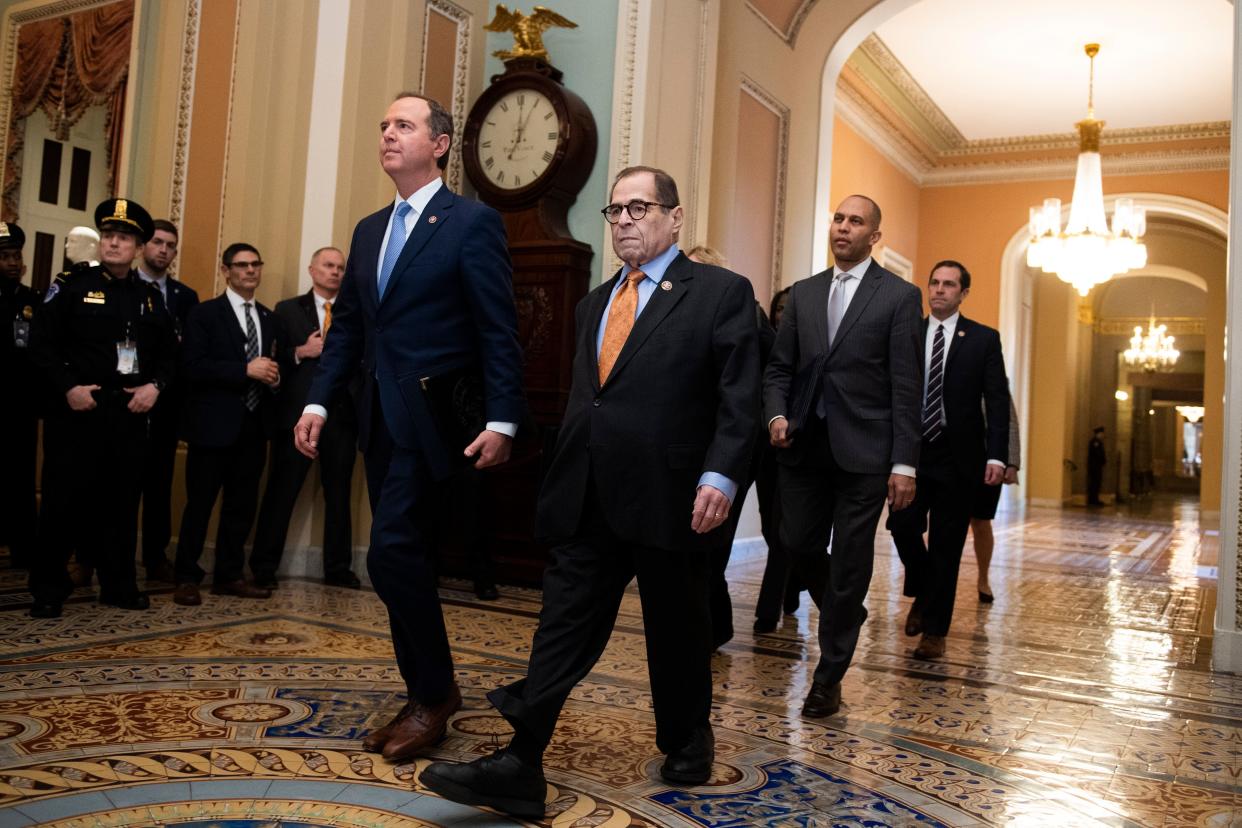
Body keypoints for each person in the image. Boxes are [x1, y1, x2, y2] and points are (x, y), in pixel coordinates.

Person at [419, 166, 760, 817]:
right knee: (562, 625)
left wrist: (720, 475)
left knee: (677, 626)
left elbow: (740, 395)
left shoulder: (719, 293)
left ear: (674, 217)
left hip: (674, 494)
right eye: (616, 211)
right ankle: (521, 759)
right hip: (588, 495)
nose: (626, 220)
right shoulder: (591, 303)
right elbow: (590, 400)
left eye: (640, 207)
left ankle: (688, 737)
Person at [293, 93, 525, 763]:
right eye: (384, 125)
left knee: (392, 553)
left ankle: (433, 694)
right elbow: (352, 330)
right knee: (402, 558)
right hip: (375, 420)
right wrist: (317, 403)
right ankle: (428, 688)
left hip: (435, 421)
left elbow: (496, 328)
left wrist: (504, 417)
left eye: (404, 125)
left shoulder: (471, 223)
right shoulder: (368, 230)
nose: (389, 134)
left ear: (441, 144)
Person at [763, 194, 922, 718]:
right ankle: (846, 608)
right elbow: (778, 369)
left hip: (867, 452)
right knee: (796, 541)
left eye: (856, 222)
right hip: (804, 445)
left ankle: (827, 678)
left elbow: (906, 384)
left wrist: (904, 463)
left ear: (874, 236)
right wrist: (776, 414)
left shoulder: (899, 297)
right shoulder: (804, 295)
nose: (843, 227)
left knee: (852, 559)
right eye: (838, 218)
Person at [28, 199, 175, 618]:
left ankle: (118, 585)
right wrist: (68, 387)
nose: (114, 243)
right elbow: (41, 346)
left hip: (126, 414)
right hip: (77, 412)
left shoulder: (148, 297)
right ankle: (48, 588)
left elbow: (168, 355)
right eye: (109, 235)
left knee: (121, 502)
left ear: (138, 247)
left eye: (124, 237)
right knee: (62, 501)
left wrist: (155, 387)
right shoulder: (71, 284)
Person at [886, 261, 1009, 660]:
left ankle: (935, 633)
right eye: (934, 283)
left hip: (959, 458)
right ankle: (923, 586)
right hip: (912, 453)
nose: (939, 290)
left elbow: (997, 400)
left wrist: (998, 455)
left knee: (947, 544)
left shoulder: (983, 339)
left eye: (949, 285)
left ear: (963, 293)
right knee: (901, 524)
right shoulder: (908, 333)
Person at [172, 243, 284, 606]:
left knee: (241, 507)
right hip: (212, 426)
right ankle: (187, 577)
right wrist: (244, 369)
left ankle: (229, 575)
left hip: (254, 428)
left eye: (255, 264)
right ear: (226, 271)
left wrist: (274, 378)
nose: (250, 271)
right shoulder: (205, 314)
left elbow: (270, 367)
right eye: (242, 265)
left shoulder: (269, 318)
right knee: (200, 504)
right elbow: (192, 367)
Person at [251, 246, 360, 589]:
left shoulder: (353, 311)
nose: (335, 272)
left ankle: (338, 569)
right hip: (297, 417)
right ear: (312, 270)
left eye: (341, 267)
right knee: (281, 493)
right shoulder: (286, 311)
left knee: (339, 496)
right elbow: (271, 359)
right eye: (328, 266)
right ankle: (263, 568)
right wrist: (300, 352)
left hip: (341, 417)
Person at [685, 243, 773, 649]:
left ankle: (710, 630)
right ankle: (712, 628)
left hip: (734, 446)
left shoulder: (747, 316)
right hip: (690, 444)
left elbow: (759, 382)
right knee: (697, 541)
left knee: (712, 541)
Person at [136, 219, 198, 583]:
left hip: (167, 403)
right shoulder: (123, 286)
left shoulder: (184, 297)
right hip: (123, 398)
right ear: (144, 246)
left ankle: (156, 557)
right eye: (157, 242)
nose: (163, 250)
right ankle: (94, 556)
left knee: (158, 485)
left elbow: (185, 353)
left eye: (170, 245)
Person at [0, 222, 37, 569]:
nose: (12, 262)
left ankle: (22, 546)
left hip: (21, 406)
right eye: (5, 256)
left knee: (20, 477)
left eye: (16, 256)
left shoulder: (32, 301)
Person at [970, 396, 1020, 603]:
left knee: (981, 521)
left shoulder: (991, 374)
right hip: (952, 458)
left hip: (989, 461)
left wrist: (1012, 463)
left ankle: (983, 579)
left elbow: (1010, 423)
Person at [1087, 426, 1106, 505]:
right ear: (1098, 433)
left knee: (1097, 483)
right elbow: (1097, 454)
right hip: (1095, 466)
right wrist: (1102, 460)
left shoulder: (1098, 441)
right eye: (1102, 433)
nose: (1103, 435)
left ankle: (1095, 499)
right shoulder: (1095, 442)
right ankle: (1093, 500)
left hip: (1097, 466)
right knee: (1094, 483)